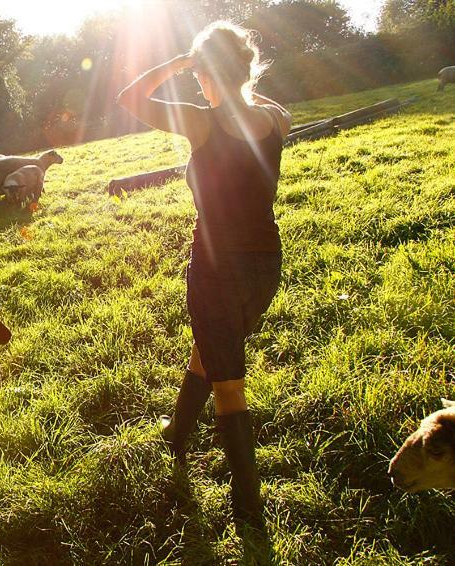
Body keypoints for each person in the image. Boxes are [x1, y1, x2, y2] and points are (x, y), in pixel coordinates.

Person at [116, 21, 292, 530]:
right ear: (246, 67)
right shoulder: (277, 119)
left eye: (199, 72)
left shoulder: (201, 123)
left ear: (205, 72)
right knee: (211, 350)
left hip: (216, 269)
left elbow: (130, 97)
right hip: (266, 265)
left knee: (230, 384)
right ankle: (178, 431)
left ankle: (247, 507)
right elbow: (256, 112)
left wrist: (178, 62)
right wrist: (225, 74)